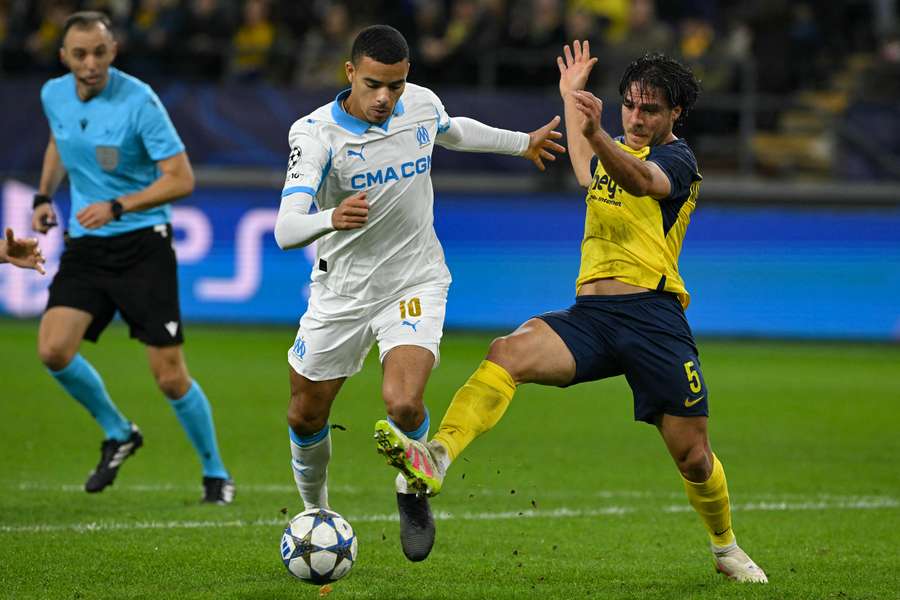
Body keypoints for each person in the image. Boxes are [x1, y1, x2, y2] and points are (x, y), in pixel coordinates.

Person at [374, 42, 768, 583]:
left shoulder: (679, 161)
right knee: (507, 353)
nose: (636, 117)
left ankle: (725, 548)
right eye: (629, 105)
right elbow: (587, 172)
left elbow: (641, 181)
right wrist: (569, 96)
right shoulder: (613, 149)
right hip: (592, 317)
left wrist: (599, 133)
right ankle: (435, 458)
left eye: (650, 109)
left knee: (694, 457)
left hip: (654, 318)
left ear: (675, 113)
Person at [274, 24, 564, 562]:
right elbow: (285, 229)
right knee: (305, 415)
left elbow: (453, 131)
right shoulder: (314, 135)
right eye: (373, 85)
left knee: (404, 402)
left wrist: (522, 143)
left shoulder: (421, 104)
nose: (385, 97)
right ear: (350, 74)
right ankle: (315, 514)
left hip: (415, 279)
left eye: (396, 85)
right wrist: (329, 218)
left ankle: (412, 490)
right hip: (342, 291)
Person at [32, 11, 234, 504]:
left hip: (143, 243)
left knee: (169, 375)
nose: (90, 63)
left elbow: (181, 179)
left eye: (99, 53)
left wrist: (119, 206)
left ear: (113, 52)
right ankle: (119, 432)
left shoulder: (140, 101)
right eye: (80, 54)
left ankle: (216, 473)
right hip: (86, 243)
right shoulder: (53, 94)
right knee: (53, 350)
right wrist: (43, 196)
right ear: (64, 57)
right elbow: (60, 139)